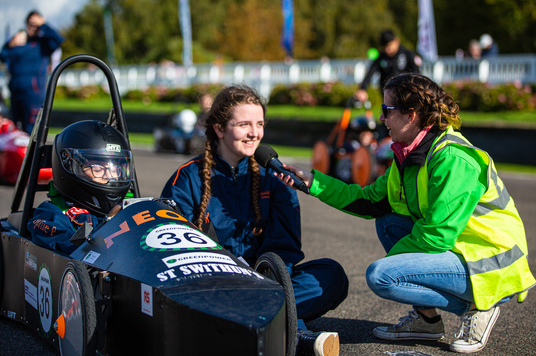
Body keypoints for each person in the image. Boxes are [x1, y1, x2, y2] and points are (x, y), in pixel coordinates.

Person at [278, 73, 535, 353]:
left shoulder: (453, 159)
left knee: (382, 275)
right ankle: (427, 320)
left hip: (493, 261)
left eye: (387, 110)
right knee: (388, 222)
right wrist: (314, 182)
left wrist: (395, 264)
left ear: (410, 115)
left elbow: (436, 236)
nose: (382, 119)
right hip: (463, 251)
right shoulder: (408, 156)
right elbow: (368, 201)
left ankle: (481, 305)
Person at [161, 84, 349, 356]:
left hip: (265, 282)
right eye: (244, 124)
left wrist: (263, 280)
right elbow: (172, 247)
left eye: (259, 124)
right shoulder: (187, 178)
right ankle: (293, 334)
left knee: (331, 277)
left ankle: (240, 320)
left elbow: (284, 249)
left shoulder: (274, 177)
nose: (254, 133)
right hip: (209, 286)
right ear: (219, 129)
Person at [28, 120, 134, 255]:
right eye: (98, 168)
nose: (109, 175)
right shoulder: (53, 214)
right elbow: (71, 248)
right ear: (70, 167)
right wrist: (107, 227)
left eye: (116, 168)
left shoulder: (131, 208)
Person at [0, 10, 64, 133]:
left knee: (32, 130)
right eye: (30, 23)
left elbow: (59, 39)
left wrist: (43, 24)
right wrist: (10, 44)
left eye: (35, 24)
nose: (32, 27)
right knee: (15, 130)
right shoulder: (19, 41)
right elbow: (2, 56)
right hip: (15, 93)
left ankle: (33, 153)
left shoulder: (43, 43)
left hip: (33, 94)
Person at [354, 29, 422, 103]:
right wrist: (362, 89)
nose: (387, 49)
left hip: (405, 98)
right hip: (387, 98)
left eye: (389, 45)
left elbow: (417, 76)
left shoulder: (408, 55)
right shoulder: (381, 58)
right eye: (384, 47)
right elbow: (370, 73)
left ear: (396, 41)